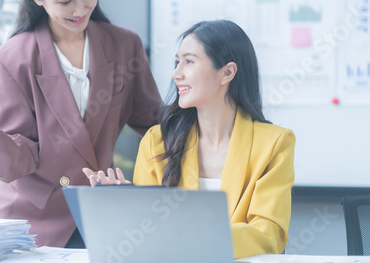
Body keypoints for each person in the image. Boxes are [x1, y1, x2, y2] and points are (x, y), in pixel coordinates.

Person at [0, 0, 162, 248]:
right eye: (65, 1)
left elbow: (153, 120)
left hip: (97, 207)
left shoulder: (125, 44)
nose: (80, 9)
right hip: (30, 216)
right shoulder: (10, 59)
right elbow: (20, 158)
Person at [83, 20, 295, 259]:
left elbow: (269, 235)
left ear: (227, 72)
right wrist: (126, 206)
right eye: (177, 61)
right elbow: (147, 237)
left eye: (189, 61)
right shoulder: (156, 141)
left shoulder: (274, 143)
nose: (176, 73)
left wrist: (193, 237)